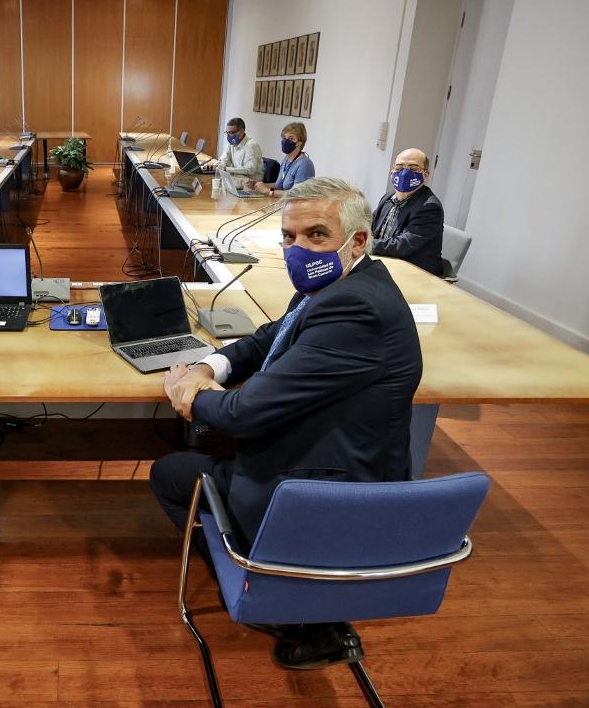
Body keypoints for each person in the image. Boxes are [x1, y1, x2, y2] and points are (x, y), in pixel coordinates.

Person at [150, 177, 421, 671]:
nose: (298, 248)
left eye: (316, 234)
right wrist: (212, 367)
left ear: (357, 240)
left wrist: (190, 393)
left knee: (169, 474)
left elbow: (245, 415)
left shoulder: (355, 310)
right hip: (341, 462)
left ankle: (278, 600)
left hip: (320, 498)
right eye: (289, 236)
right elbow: (265, 339)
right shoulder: (338, 286)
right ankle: (306, 602)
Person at [371, 148, 445, 275]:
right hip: (384, 263)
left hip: (414, 273)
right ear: (392, 172)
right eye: (399, 168)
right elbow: (369, 227)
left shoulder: (430, 207)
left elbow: (402, 246)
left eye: (413, 168)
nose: (405, 173)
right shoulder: (388, 198)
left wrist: (364, 245)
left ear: (426, 175)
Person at [251, 122, 315, 195]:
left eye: (291, 138)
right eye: (284, 138)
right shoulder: (286, 159)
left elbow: (297, 194)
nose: (286, 141)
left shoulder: (305, 164)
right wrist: (259, 185)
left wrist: (269, 192)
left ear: (300, 142)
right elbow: (279, 186)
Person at [204, 117, 263, 184]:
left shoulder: (251, 145)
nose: (229, 136)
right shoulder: (231, 143)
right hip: (237, 179)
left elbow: (250, 169)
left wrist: (226, 169)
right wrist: (217, 166)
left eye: (231, 132)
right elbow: (224, 159)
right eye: (227, 133)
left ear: (242, 131)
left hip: (252, 184)